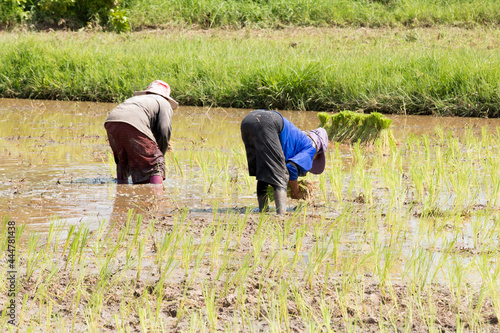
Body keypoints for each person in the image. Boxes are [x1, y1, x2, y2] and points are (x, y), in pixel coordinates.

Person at [240, 109, 329, 214]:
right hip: (269, 122)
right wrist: (296, 191)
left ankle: (263, 211)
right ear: (318, 153)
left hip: (248, 120)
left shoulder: (298, 138)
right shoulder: (311, 147)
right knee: (281, 175)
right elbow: (291, 168)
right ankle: (281, 215)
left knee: (264, 173)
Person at [104, 80, 178, 185]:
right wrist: (160, 153)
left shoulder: (136, 99)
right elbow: (164, 129)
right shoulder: (163, 102)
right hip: (133, 123)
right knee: (156, 163)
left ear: (148, 92)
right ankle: (156, 196)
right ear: (166, 97)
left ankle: (121, 188)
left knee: (123, 160)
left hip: (111, 122)